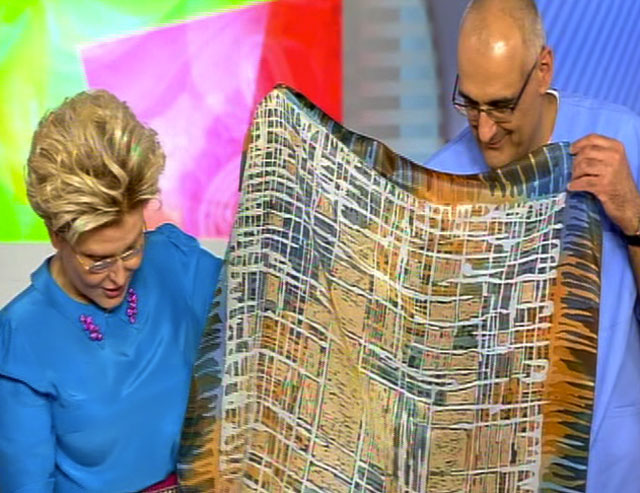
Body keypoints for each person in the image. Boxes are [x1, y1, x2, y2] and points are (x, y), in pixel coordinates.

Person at [425, 0, 640, 491]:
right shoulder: (440, 182)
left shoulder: (622, 141)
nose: (484, 130)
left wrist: (633, 214)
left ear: (543, 69)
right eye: (470, 103)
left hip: (617, 469)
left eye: (501, 106)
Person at [0, 90, 222, 491]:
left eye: (132, 248)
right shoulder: (22, 338)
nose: (118, 275)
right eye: (97, 259)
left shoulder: (176, 263)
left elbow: (270, 309)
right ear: (56, 235)